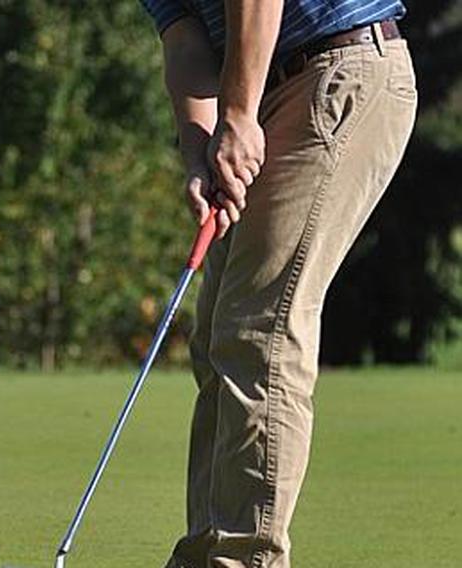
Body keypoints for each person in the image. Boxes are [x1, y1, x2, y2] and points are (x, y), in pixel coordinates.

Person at [137, 1, 417, 566]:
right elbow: (186, 40)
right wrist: (198, 148)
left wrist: (238, 115)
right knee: (219, 337)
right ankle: (206, 552)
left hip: (338, 69)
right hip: (265, 90)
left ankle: (243, 559)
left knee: (258, 331)